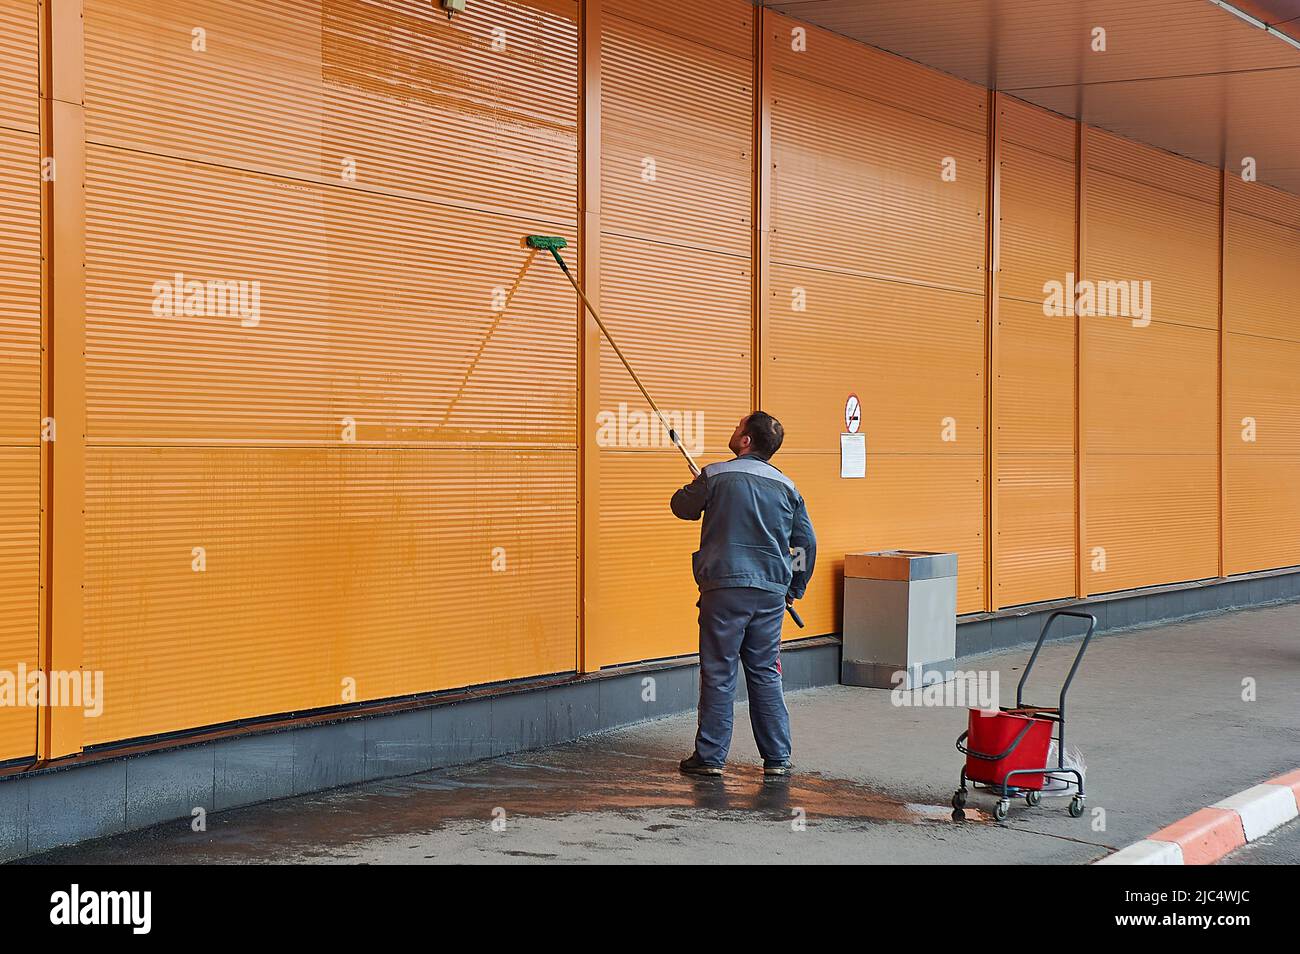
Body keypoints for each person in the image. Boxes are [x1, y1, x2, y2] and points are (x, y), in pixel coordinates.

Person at [669, 411, 816, 778]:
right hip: (769, 593)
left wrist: (697, 489)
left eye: (738, 427)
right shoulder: (787, 486)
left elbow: (681, 508)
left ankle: (711, 758)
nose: (733, 431)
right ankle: (777, 758)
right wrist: (793, 589)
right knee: (765, 672)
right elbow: (804, 544)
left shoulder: (716, 475)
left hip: (724, 589)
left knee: (719, 671)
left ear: (746, 440)